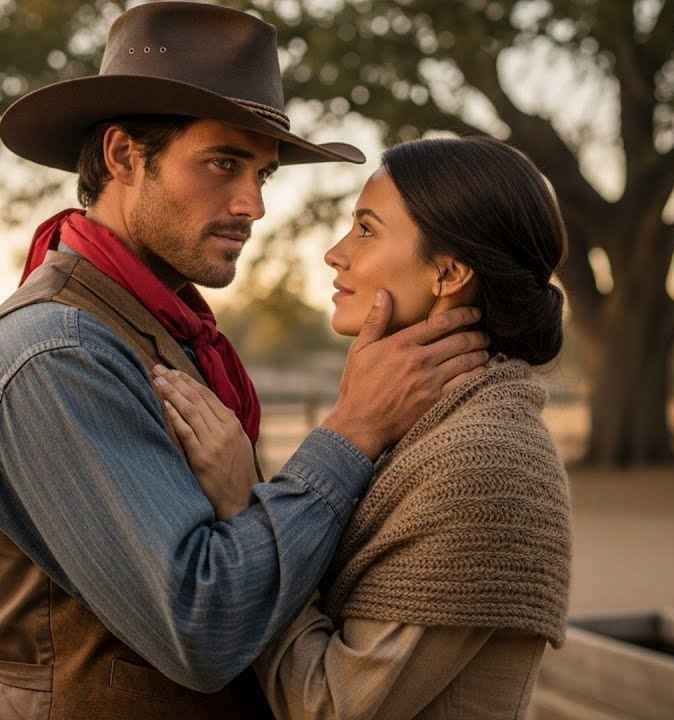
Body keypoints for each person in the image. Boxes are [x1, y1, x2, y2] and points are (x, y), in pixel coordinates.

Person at [0, 3, 491, 719]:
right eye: (223, 163)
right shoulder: (55, 356)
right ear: (122, 157)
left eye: (263, 174)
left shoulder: (163, 328)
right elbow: (203, 627)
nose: (253, 204)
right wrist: (352, 430)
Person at [156, 134, 573, 720]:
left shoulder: (484, 460)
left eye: (367, 230)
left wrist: (245, 508)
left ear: (448, 272)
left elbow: (329, 705)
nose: (335, 253)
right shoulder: (423, 430)